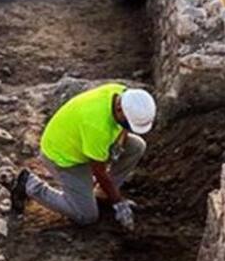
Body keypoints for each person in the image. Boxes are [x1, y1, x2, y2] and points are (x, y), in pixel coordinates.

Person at [11, 83, 156, 229]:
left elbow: (122, 127)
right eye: (128, 124)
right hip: (63, 157)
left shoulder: (121, 93)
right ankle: (29, 184)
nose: (128, 128)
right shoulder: (97, 128)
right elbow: (99, 172)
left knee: (137, 147)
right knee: (86, 216)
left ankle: (103, 194)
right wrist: (118, 203)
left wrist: (119, 143)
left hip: (83, 142)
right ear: (119, 109)